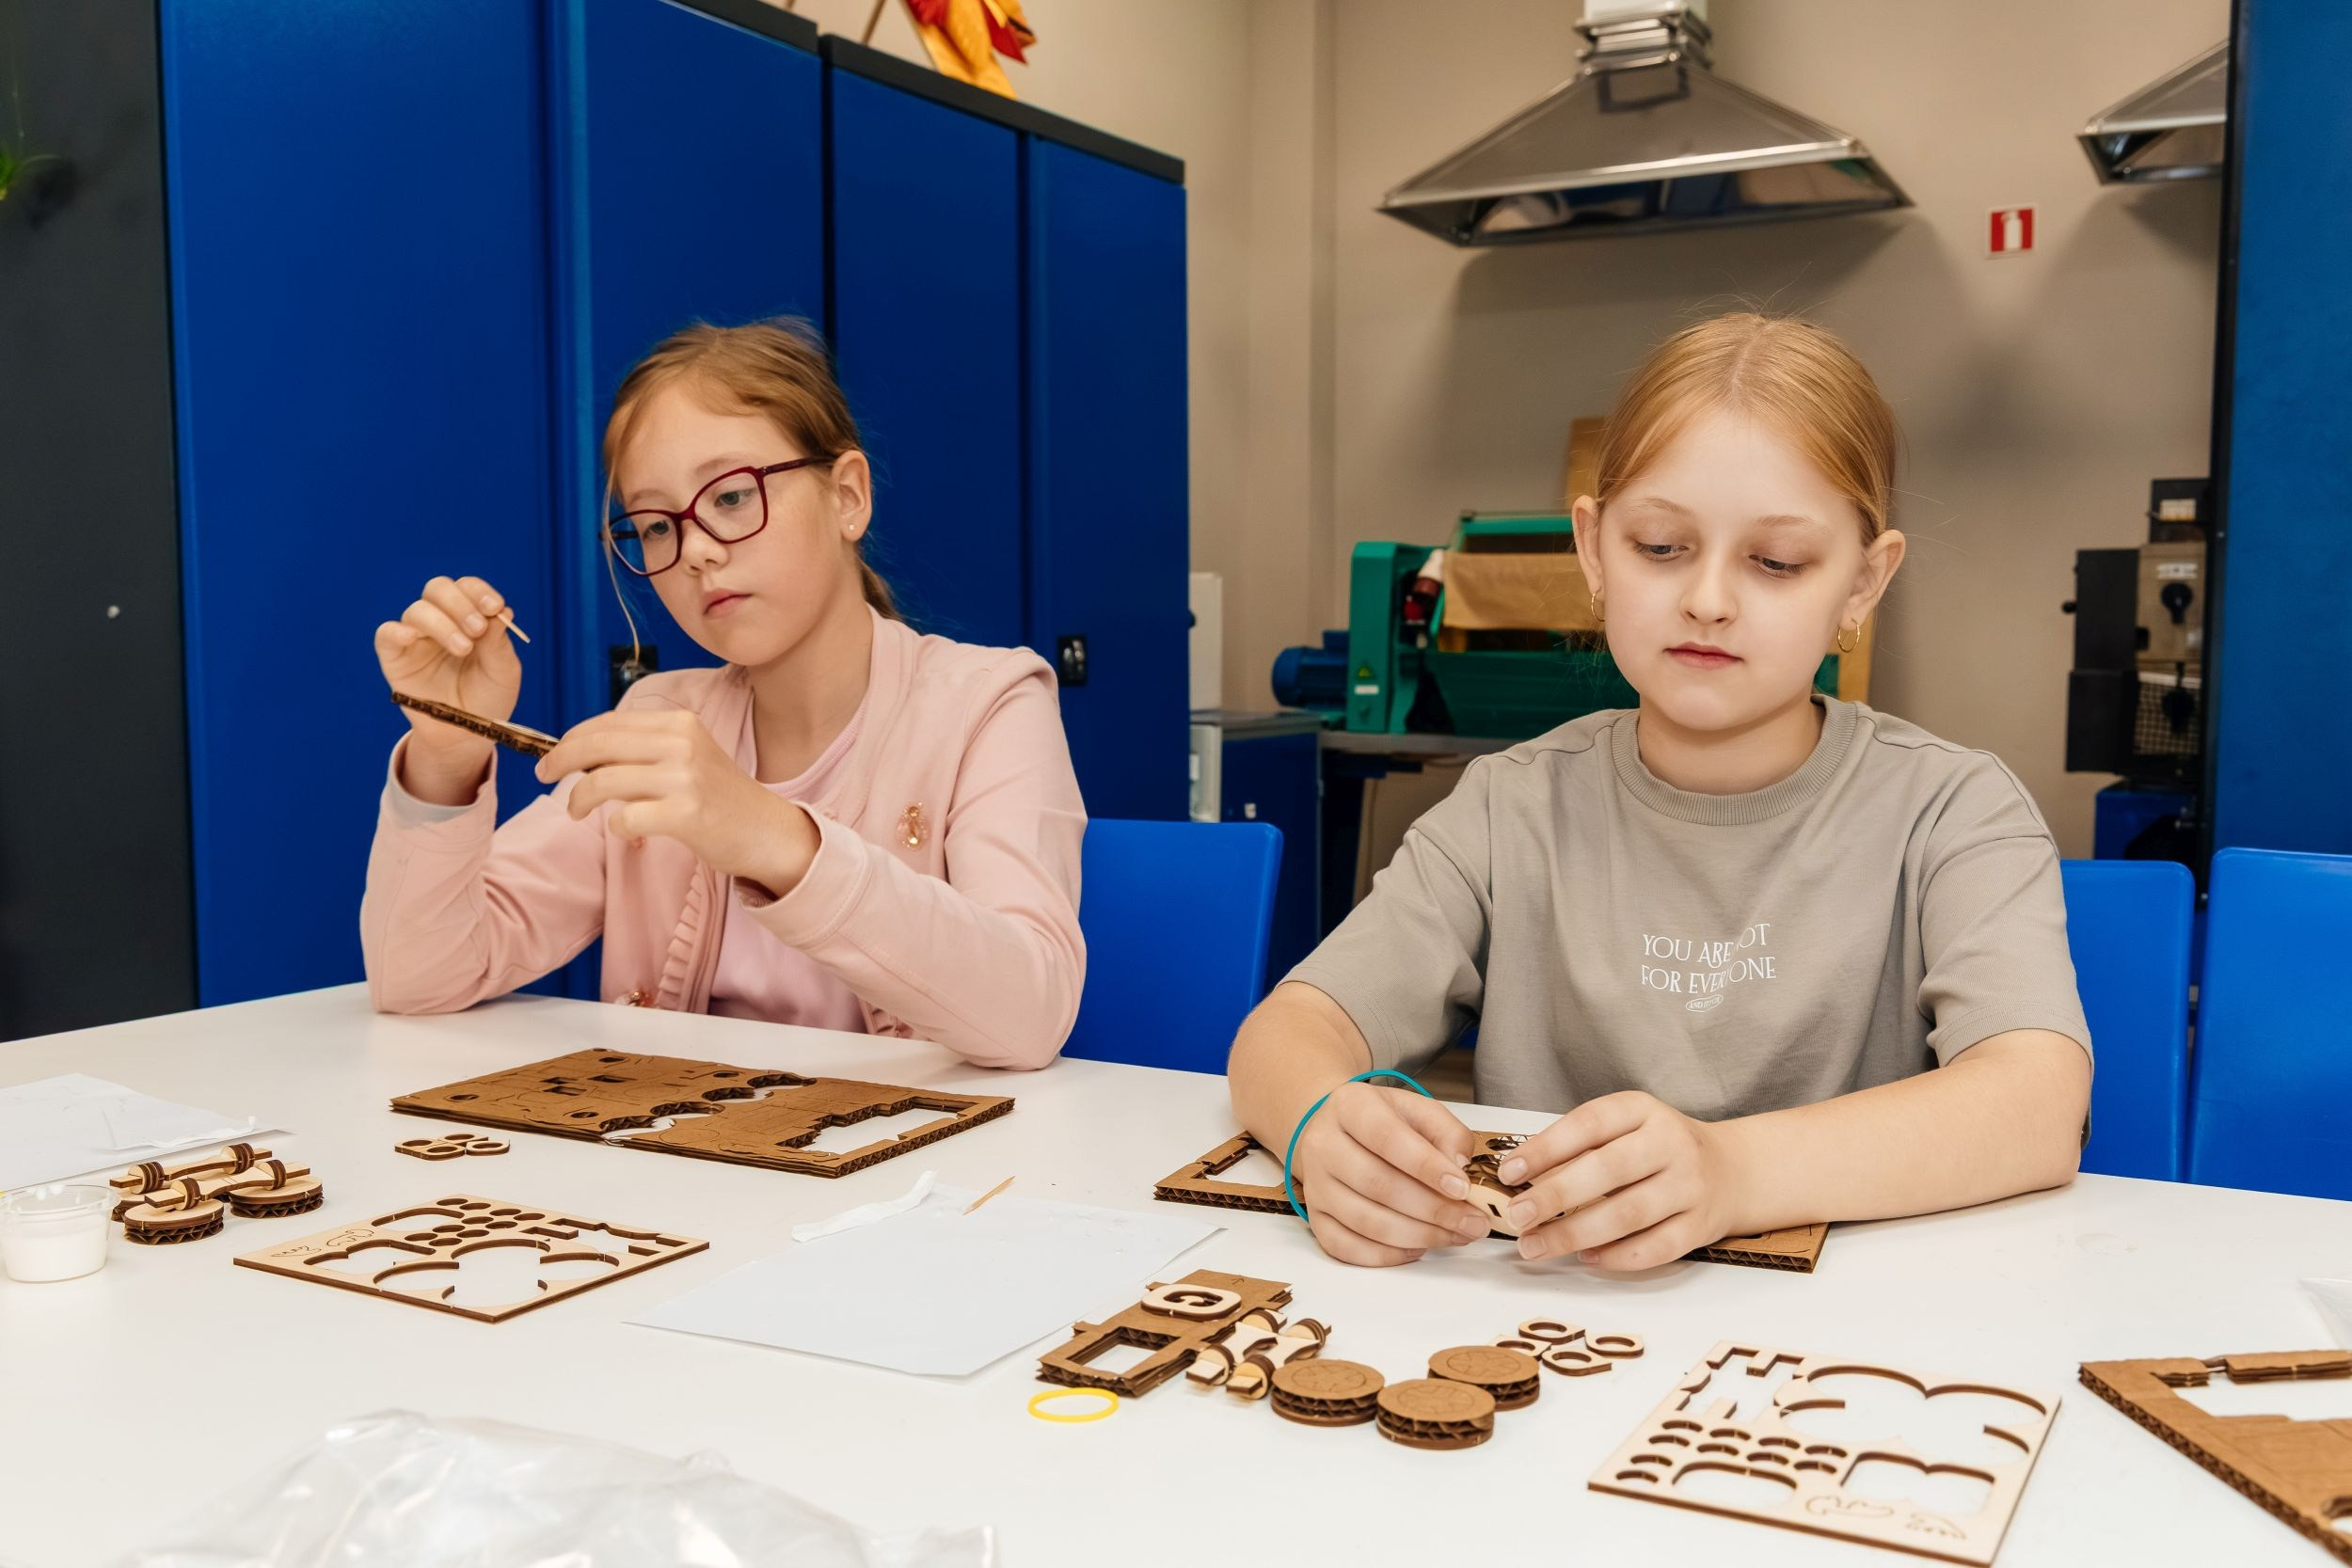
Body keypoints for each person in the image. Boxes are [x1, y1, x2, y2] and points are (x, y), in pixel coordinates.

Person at [1229, 312, 2092, 1268]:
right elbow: (1289, 1029)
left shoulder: (1953, 808)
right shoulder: (1508, 806)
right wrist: (1319, 1125)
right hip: (1560, 1328)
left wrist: (1729, 1171)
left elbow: (2038, 1101)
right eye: (1660, 546)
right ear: (1595, 551)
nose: (1709, 599)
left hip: (1830, 1353)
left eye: (1775, 561)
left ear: (1862, 583)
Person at [361, 320, 1085, 1069]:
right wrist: (448, 755)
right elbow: (420, 977)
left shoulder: (991, 705)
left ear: (848, 497)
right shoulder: (661, 722)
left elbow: (1030, 1015)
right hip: (691, 1170)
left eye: (733, 496)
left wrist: (771, 835)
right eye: (653, 525)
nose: (697, 549)